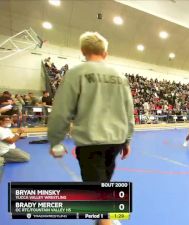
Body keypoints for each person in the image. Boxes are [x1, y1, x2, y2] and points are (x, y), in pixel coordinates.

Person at [47, 32, 134, 225]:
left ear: (83, 51)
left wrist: (55, 140)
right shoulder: (120, 77)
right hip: (116, 141)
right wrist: (127, 139)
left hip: (91, 141)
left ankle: (105, 219)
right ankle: (105, 216)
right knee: (103, 183)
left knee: (96, 190)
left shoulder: (76, 73)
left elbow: (61, 111)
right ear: (106, 52)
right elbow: (129, 112)